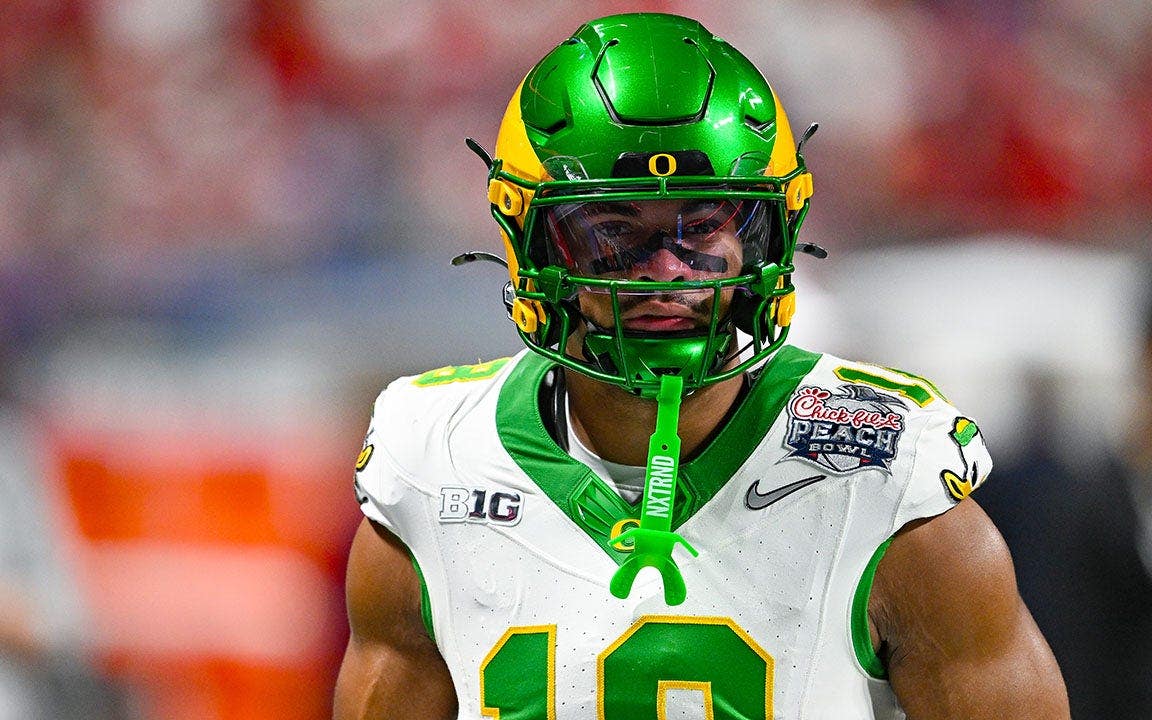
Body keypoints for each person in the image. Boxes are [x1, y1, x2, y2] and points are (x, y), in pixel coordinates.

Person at [333, 13, 1068, 719]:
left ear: (767, 236)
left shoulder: (884, 479)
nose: (665, 271)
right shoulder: (434, 467)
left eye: (705, 224)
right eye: (611, 231)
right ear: (531, 240)